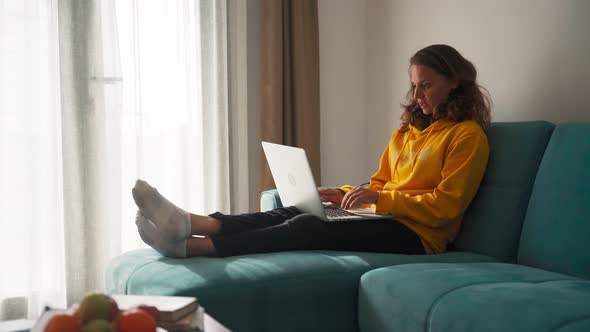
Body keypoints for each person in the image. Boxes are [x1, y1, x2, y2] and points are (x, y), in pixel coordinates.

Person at [132, 44, 491, 258]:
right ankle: (189, 223)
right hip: (385, 217)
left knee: (307, 226)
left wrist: (378, 202)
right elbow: (381, 182)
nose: (417, 96)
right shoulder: (406, 132)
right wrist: (347, 195)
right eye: (414, 85)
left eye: (426, 85)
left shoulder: (467, 136)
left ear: (455, 81)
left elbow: (446, 207)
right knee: (303, 208)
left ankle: (191, 248)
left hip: (420, 236)